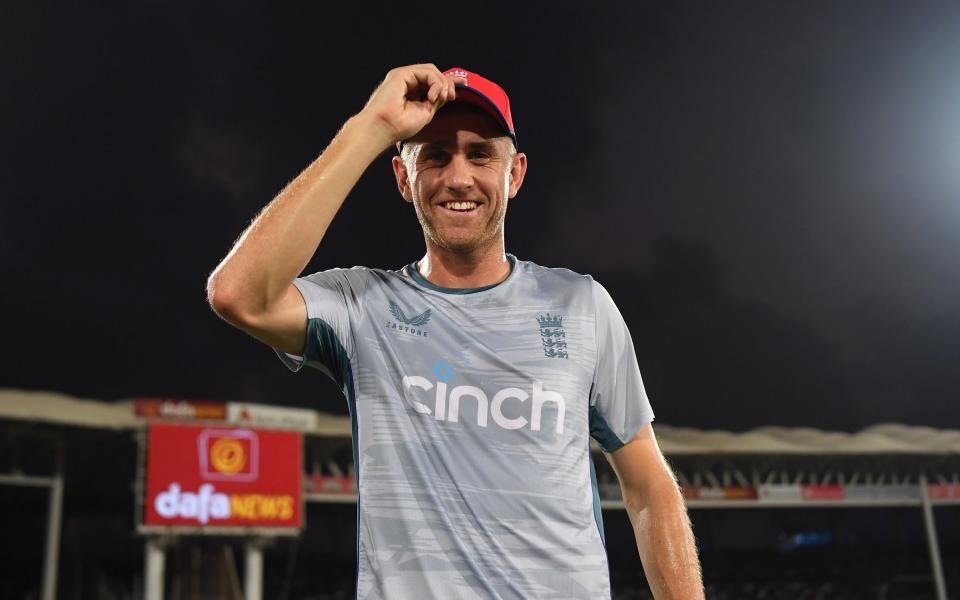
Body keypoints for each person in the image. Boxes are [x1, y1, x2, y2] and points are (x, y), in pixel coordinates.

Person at [207, 64, 704, 599]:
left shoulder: (581, 306)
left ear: (514, 175)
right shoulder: (362, 308)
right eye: (436, 155)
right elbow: (239, 295)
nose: (459, 177)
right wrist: (371, 126)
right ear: (403, 177)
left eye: (481, 154)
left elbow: (650, 487)